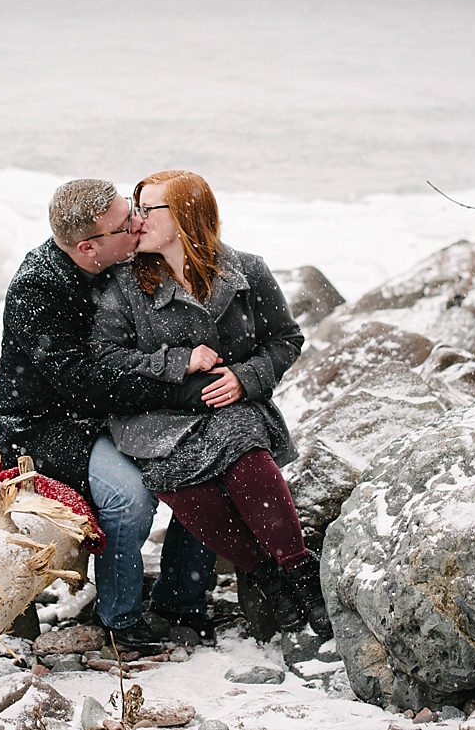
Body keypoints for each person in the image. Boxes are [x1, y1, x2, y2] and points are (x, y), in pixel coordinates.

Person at [90, 169, 332, 640]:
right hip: (152, 414)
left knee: (244, 445)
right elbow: (105, 356)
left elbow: (286, 339)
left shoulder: (248, 271)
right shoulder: (123, 282)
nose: (135, 220)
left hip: (228, 404)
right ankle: (265, 575)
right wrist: (178, 361)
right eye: (134, 208)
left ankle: (300, 573)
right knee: (178, 477)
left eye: (146, 209)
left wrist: (246, 378)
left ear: (184, 216)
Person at [0, 178, 218, 651]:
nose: (138, 223)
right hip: (47, 424)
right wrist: (183, 387)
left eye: (134, 211)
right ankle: (120, 620)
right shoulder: (39, 289)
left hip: (113, 408)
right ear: (89, 247)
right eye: (125, 223)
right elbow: (85, 385)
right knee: (130, 498)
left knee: (208, 463)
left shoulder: (125, 259)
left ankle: (182, 599)